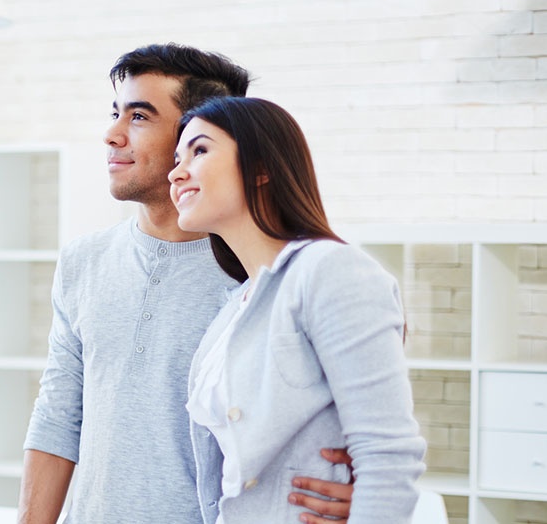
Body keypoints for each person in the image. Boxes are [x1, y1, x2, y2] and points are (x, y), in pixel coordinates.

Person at [18, 44, 357, 524]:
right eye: (115, 113)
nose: (112, 135)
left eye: (139, 117)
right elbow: (57, 417)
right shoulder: (82, 261)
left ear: (198, 138)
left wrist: (359, 491)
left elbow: (354, 425)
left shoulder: (265, 272)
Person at [169, 97, 425, 522]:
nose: (176, 172)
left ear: (261, 167)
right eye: (177, 158)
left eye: (199, 150)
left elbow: (388, 455)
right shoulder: (234, 311)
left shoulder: (328, 270)